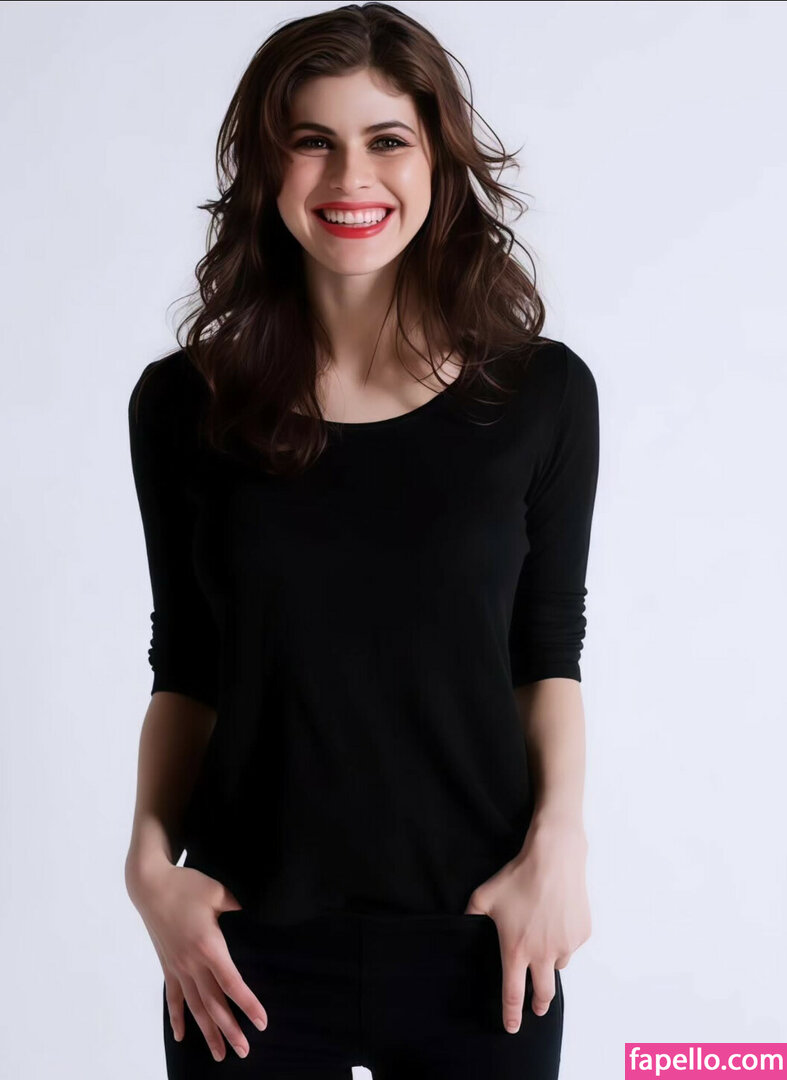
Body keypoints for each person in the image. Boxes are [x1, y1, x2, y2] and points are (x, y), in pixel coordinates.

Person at [124, 4, 600, 1078]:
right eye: (312, 141)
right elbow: (186, 663)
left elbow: (546, 652)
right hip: (239, 952)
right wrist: (150, 869)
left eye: (387, 140)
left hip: (481, 937)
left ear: (437, 161)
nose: (351, 179)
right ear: (266, 167)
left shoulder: (538, 396)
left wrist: (559, 845)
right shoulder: (183, 406)